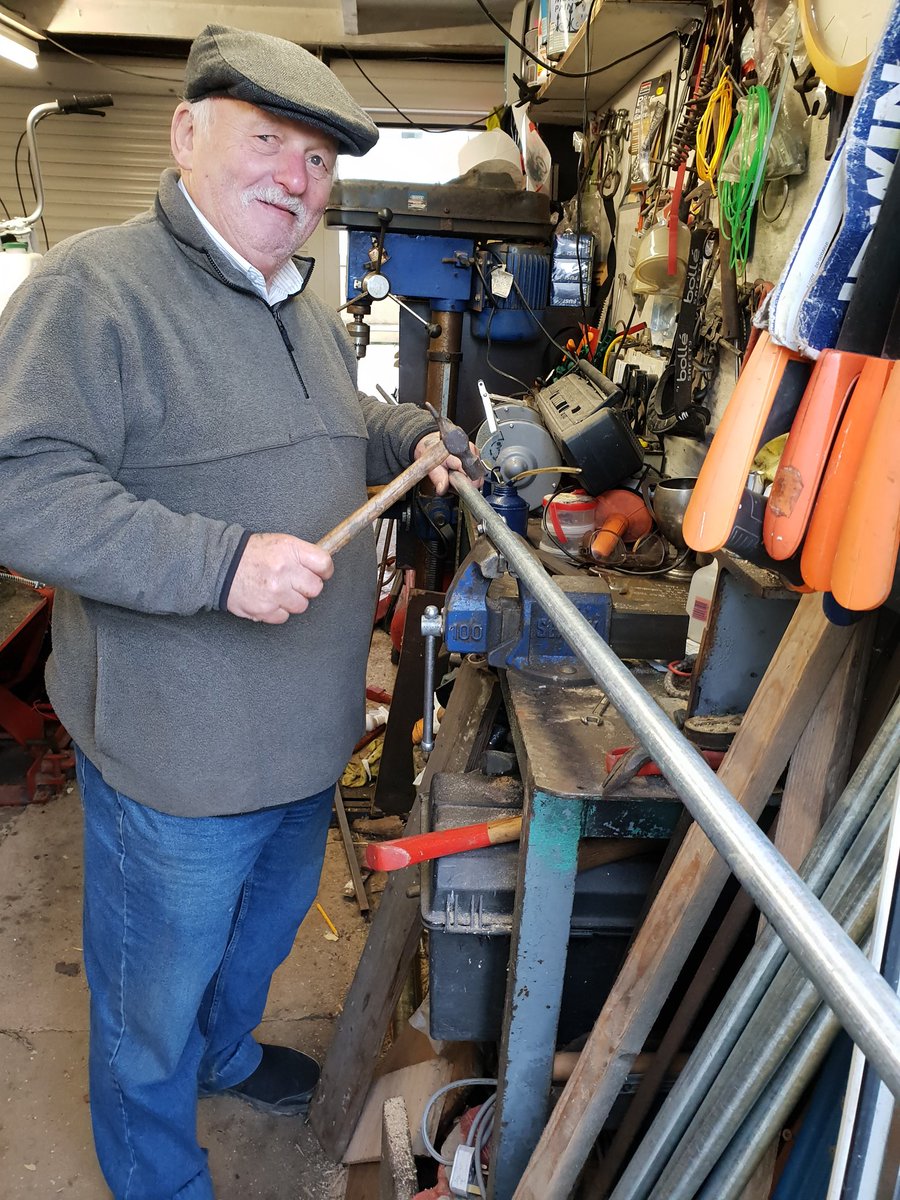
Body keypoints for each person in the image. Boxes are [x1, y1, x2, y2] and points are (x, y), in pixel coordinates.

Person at [0, 23, 467, 1200]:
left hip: (303, 739)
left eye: (318, 162)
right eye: (269, 141)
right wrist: (220, 565)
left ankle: (227, 1053)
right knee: (146, 998)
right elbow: (21, 492)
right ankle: (156, 1170)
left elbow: (330, 419)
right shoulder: (91, 291)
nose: (296, 180)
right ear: (186, 134)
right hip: (176, 760)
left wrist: (408, 432)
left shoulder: (296, 300)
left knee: (254, 950)